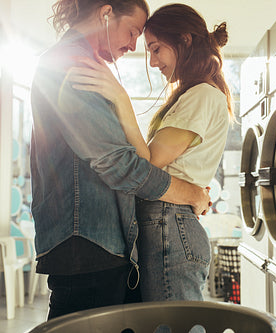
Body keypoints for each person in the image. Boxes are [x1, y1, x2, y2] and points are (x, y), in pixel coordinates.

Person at [30, 0, 210, 320]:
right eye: (132, 32)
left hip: (93, 243)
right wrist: (192, 193)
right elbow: (120, 164)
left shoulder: (80, 62)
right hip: (88, 245)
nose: (133, 45)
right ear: (106, 13)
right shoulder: (73, 64)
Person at [68, 3, 232, 303]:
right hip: (169, 222)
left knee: (173, 326)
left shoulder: (202, 95)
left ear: (184, 40)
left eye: (156, 49)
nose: (153, 62)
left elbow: (149, 163)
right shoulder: (193, 94)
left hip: (171, 223)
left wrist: (120, 97)